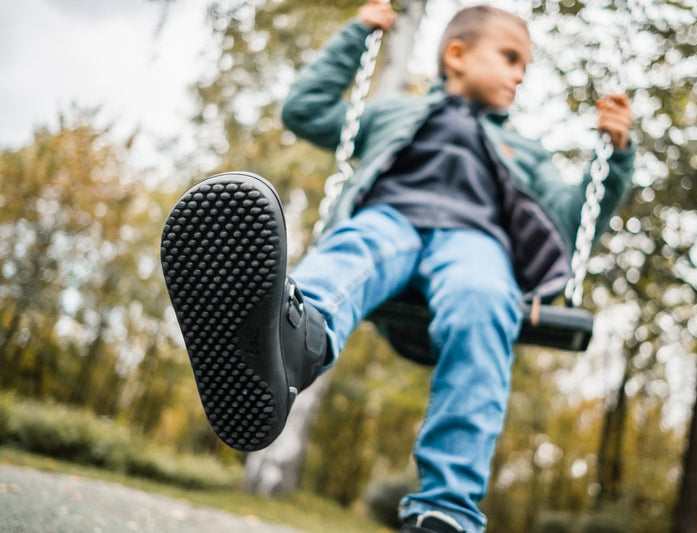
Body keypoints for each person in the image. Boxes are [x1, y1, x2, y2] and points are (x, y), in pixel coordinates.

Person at [160, 2, 634, 532]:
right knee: (350, 252)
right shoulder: (393, 112)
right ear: (456, 55)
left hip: (475, 243)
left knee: (483, 299)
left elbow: (571, 220)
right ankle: (293, 339)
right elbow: (305, 109)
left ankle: (446, 510)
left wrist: (613, 159)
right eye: (509, 58)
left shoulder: (524, 149)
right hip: (392, 222)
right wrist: (357, 35)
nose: (520, 75)